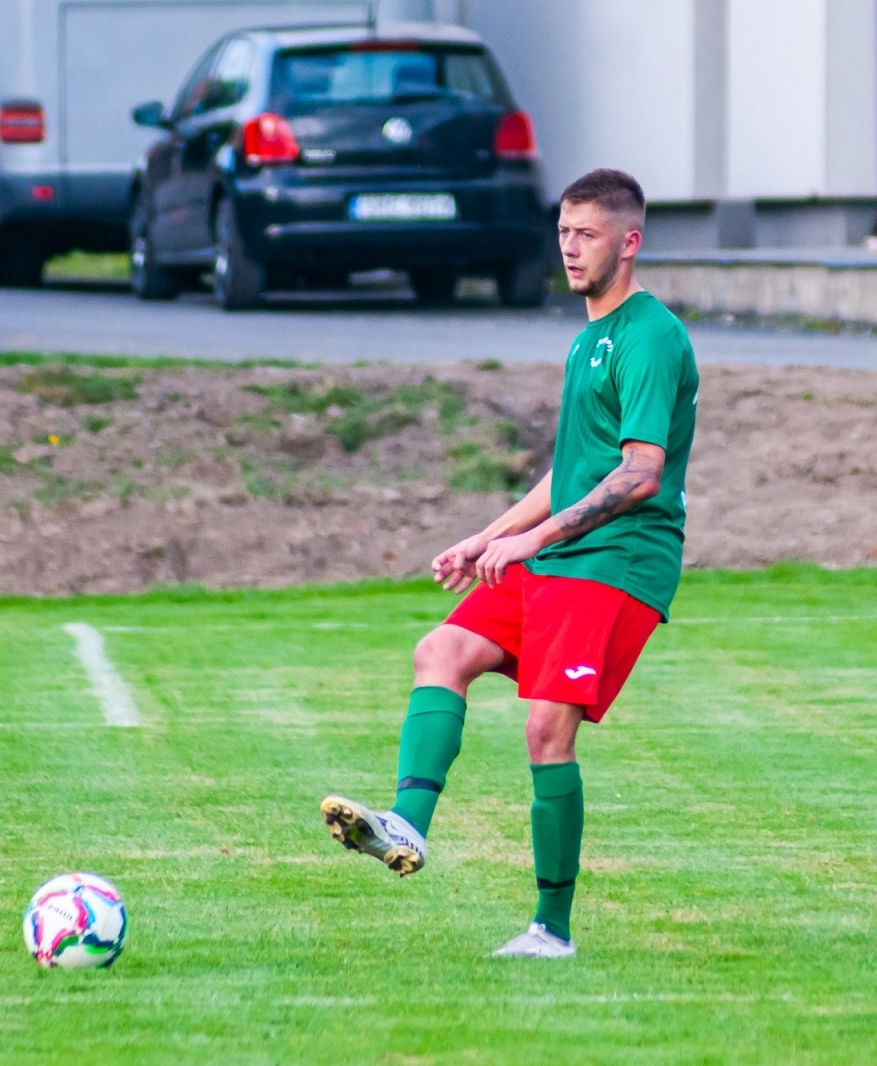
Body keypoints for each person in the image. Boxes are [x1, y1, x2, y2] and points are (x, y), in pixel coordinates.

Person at [320, 168, 698, 958]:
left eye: (585, 233)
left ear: (629, 243)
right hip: (562, 553)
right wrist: (490, 537)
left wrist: (534, 541)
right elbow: (571, 472)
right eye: (562, 231)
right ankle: (405, 828)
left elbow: (639, 473)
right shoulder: (587, 337)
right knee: (441, 650)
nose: (569, 246)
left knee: (545, 731)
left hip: (618, 561)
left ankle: (550, 931)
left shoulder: (651, 336)